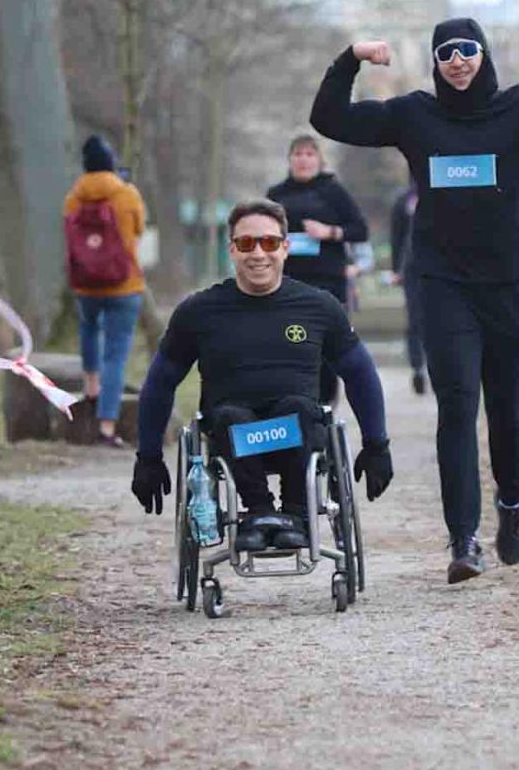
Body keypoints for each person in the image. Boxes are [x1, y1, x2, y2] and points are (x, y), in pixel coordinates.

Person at [310, 19, 519, 584]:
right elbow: (329, 119)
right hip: (442, 284)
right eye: (445, 52)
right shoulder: (414, 115)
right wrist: (350, 58)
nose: (457, 60)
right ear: (435, 62)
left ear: (483, 54)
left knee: (506, 408)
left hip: (507, 284)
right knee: (456, 404)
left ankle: (511, 504)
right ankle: (464, 540)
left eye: (466, 49)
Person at [130, 198, 393, 550]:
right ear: (232, 249)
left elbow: (360, 373)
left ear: (285, 248)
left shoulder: (319, 306)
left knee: (297, 408)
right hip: (230, 436)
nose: (258, 253)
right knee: (232, 416)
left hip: (299, 431)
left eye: (269, 242)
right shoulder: (199, 311)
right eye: (246, 243)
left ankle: (296, 514)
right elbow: (160, 381)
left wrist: (376, 445)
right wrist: (148, 457)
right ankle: (259, 511)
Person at [266, 134, 369, 403]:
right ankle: (292, 403)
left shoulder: (333, 191)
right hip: (286, 280)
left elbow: (360, 230)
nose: (303, 160)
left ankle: (325, 405)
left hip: (328, 281)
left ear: (319, 160)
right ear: (289, 160)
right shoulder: (276, 195)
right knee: (288, 345)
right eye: (298, 154)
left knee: (325, 346)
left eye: (309, 154)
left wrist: (329, 232)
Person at [64, 135, 146, 447]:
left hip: (85, 283)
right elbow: (139, 229)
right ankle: (107, 427)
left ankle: (90, 386)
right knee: (116, 354)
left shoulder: (73, 198)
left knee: (88, 329)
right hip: (124, 284)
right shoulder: (127, 194)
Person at [389, 183, 427, 395]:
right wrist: (396, 268)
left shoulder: (444, 191)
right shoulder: (404, 200)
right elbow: (397, 235)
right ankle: (418, 367)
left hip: (443, 268)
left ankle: (438, 366)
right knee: (415, 319)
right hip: (411, 268)